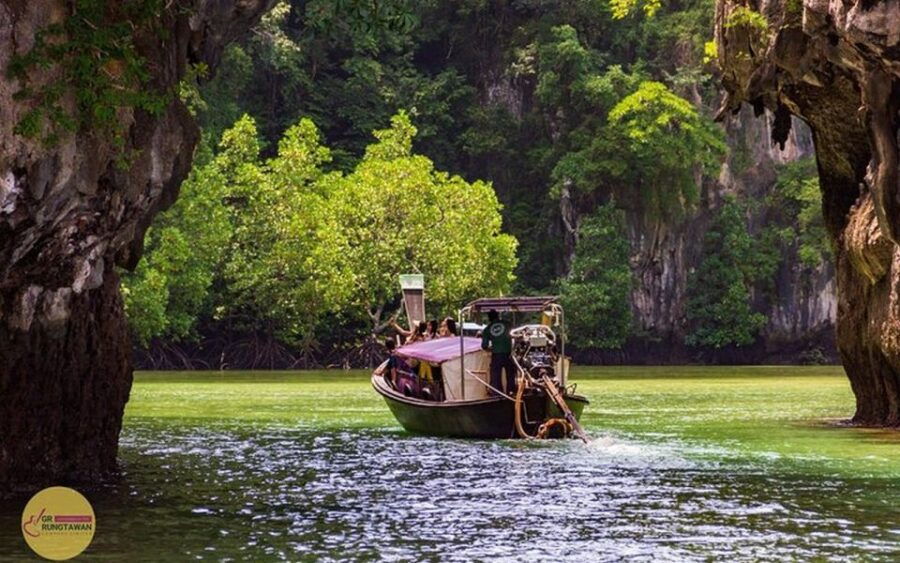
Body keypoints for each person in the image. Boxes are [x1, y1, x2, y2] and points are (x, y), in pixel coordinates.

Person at [481, 309, 516, 396]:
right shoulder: (508, 324)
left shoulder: (487, 329)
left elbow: (484, 345)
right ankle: (511, 393)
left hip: (496, 355)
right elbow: (516, 336)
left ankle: (498, 395)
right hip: (509, 354)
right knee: (510, 375)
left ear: (489, 318)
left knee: (496, 377)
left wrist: (492, 348)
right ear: (498, 316)